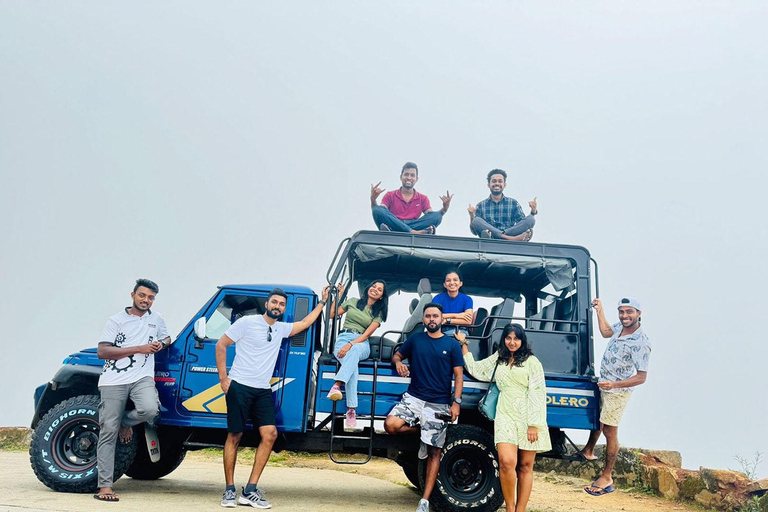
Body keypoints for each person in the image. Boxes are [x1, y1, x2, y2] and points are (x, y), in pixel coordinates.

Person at [216, 286, 329, 508]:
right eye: (274, 302)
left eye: (281, 304)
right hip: (240, 386)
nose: (277, 306)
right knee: (234, 435)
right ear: (267, 304)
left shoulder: (281, 328)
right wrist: (223, 379)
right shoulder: (247, 323)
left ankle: (250, 490)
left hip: (262, 389)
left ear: (284, 308)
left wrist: (323, 303)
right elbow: (221, 344)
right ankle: (229, 490)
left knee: (270, 434)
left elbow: (305, 323)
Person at [458, 323, 551, 512]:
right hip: (505, 414)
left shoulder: (532, 362)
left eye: (516, 338)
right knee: (507, 462)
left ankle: (520, 509)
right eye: (508, 338)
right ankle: (509, 507)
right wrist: (463, 344)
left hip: (527, 417)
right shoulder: (498, 359)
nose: (512, 342)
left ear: (522, 341)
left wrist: (534, 424)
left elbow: (538, 393)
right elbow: (476, 369)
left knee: (525, 466)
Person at [95, 278, 172, 502]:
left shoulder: (157, 319)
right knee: (107, 432)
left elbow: (166, 337)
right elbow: (103, 351)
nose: (146, 300)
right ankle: (105, 487)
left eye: (150, 298)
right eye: (142, 296)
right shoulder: (116, 320)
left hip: (142, 377)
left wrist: (162, 344)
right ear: (133, 295)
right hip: (113, 380)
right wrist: (140, 348)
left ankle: (123, 422)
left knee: (149, 410)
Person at [384, 303, 463, 512]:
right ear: (424, 319)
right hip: (414, 398)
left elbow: (458, 375)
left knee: (434, 451)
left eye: (435, 316)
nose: (431, 319)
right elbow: (397, 355)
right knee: (391, 425)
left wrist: (457, 402)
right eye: (427, 316)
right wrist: (399, 362)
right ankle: (423, 434)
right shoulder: (416, 339)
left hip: (438, 402)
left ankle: (425, 501)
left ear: (441, 318)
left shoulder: (452, 344)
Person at [580, 297, 651, 497]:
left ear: (639, 313)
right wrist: (600, 310)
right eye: (622, 311)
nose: (625, 316)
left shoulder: (641, 342)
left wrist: (615, 385)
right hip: (605, 384)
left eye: (629, 312)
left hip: (617, 392)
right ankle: (588, 450)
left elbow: (641, 377)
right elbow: (604, 332)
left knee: (610, 431)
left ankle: (607, 477)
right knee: (598, 420)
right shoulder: (619, 326)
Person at [327, 280, 389, 429]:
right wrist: (340, 295)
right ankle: (351, 410)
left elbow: (367, 335)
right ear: (368, 287)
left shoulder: (377, 314)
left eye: (379, 289)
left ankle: (337, 385)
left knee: (353, 352)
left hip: (361, 343)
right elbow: (331, 314)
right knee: (352, 366)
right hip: (343, 339)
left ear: (381, 296)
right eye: (373, 286)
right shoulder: (353, 301)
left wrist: (351, 344)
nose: (375, 289)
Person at [371, 161, 453, 234]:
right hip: (394, 222)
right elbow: (381, 211)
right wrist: (373, 199)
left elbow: (431, 216)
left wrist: (444, 209)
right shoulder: (390, 195)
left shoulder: (423, 198)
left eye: (412, 175)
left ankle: (403, 230)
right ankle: (412, 232)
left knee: (437, 216)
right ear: (401, 177)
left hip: (410, 225)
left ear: (416, 179)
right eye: (406, 174)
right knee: (377, 209)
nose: (409, 178)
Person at [468, 169, 538, 241]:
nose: (497, 183)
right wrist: (471, 215)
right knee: (476, 221)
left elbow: (521, 224)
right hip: (489, 238)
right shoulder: (481, 205)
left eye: (500, 181)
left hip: (507, 234)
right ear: (489, 185)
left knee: (531, 219)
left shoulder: (513, 203)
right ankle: (512, 239)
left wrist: (533, 212)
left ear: (504, 185)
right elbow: (474, 231)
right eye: (494, 181)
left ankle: (505, 237)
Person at [431, 269, 473, 334]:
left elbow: (468, 321)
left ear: (460, 283)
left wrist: (447, 320)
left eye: (455, 280)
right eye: (448, 280)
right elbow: (435, 317)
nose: (452, 283)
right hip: (442, 331)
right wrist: (458, 316)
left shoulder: (467, 299)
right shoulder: (437, 298)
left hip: (461, 331)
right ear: (444, 284)